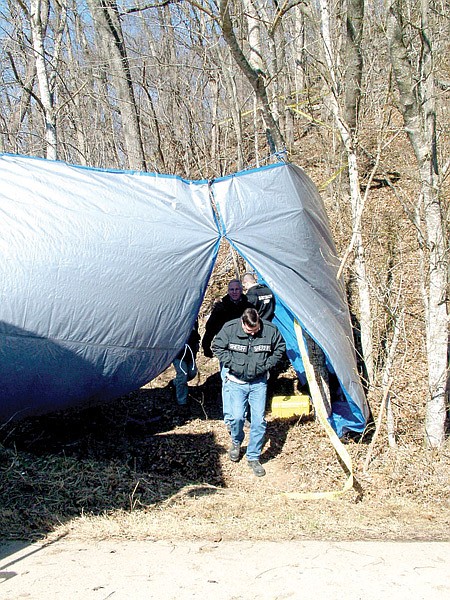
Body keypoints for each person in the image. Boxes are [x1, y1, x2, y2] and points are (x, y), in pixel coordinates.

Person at [212, 307, 286, 477]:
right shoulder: (230, 328)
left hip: (259, 383)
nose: (253, 333)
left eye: (256, 330)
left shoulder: (270, 330)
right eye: (249, 330)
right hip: (237, 382)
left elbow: (280, 348)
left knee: (259, 421)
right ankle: (237, 442)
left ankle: (253, 457)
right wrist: (232, 364)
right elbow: (217, 346)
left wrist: (266, 365)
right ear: (242, 323)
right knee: (237, 417)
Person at [202, 279, 251, 429]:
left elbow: (256, 327)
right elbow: (210, 327)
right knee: (228, 383)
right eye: (232, 290)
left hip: (245, 350)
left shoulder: (248, 307)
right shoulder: (221, 308)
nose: (234, 292)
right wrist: (206, 346)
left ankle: (243, 416)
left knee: (245, 383)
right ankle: (229, 419)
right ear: (228, 291)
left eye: (237, 289)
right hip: (227, 350)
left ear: (241, 290)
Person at [170, 321, 200, 414]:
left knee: (192, 373)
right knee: (183, 375)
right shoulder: (176, 322)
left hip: (190, 354)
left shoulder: (194, 320)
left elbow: (196, 339)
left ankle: (175, 383)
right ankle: (182, 402)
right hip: (178, 355)